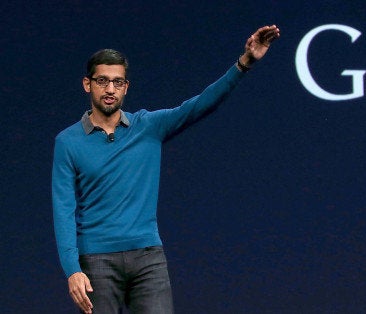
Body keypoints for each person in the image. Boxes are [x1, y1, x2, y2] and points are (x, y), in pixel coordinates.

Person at [52, 25, 280, 313]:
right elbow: (63, 209)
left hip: (148, 258)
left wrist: (244, 63)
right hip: (96, 260)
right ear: (88, 84)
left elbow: (201, 104)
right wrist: (72, 269)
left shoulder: (148, 126)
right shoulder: (67, 141)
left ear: (126, 87)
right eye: (102, 81)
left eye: (118, 82)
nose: (110, 89)